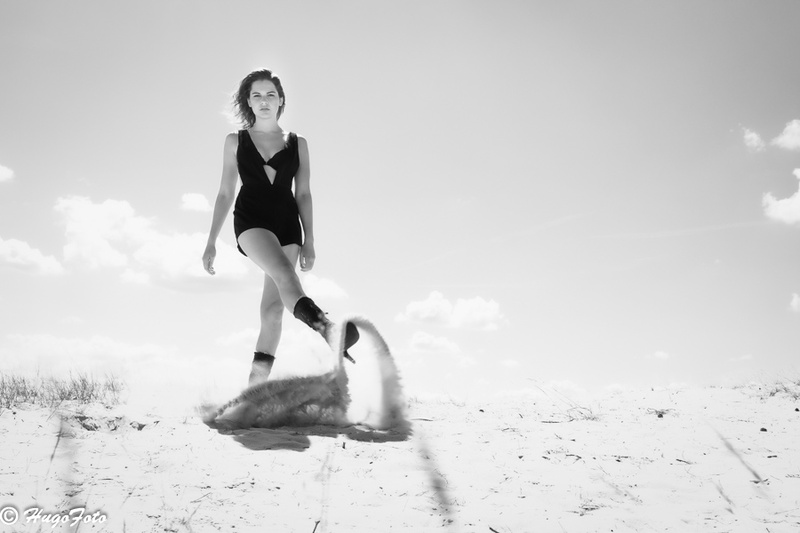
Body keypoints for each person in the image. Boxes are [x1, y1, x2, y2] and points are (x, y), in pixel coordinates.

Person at [202, 69, 358, 386]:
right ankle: (330, 331)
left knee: (273, 310)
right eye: (257, 95)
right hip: (251, 221)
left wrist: (310, 239)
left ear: (281, 100)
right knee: (286, 277)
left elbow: (303, 193)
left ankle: (254, 390)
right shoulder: (235, 141)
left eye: (270, 94)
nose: (264, 101)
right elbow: (224, 193)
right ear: (248, 101)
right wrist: (211, 241)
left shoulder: (297, 144)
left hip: (288, 225)